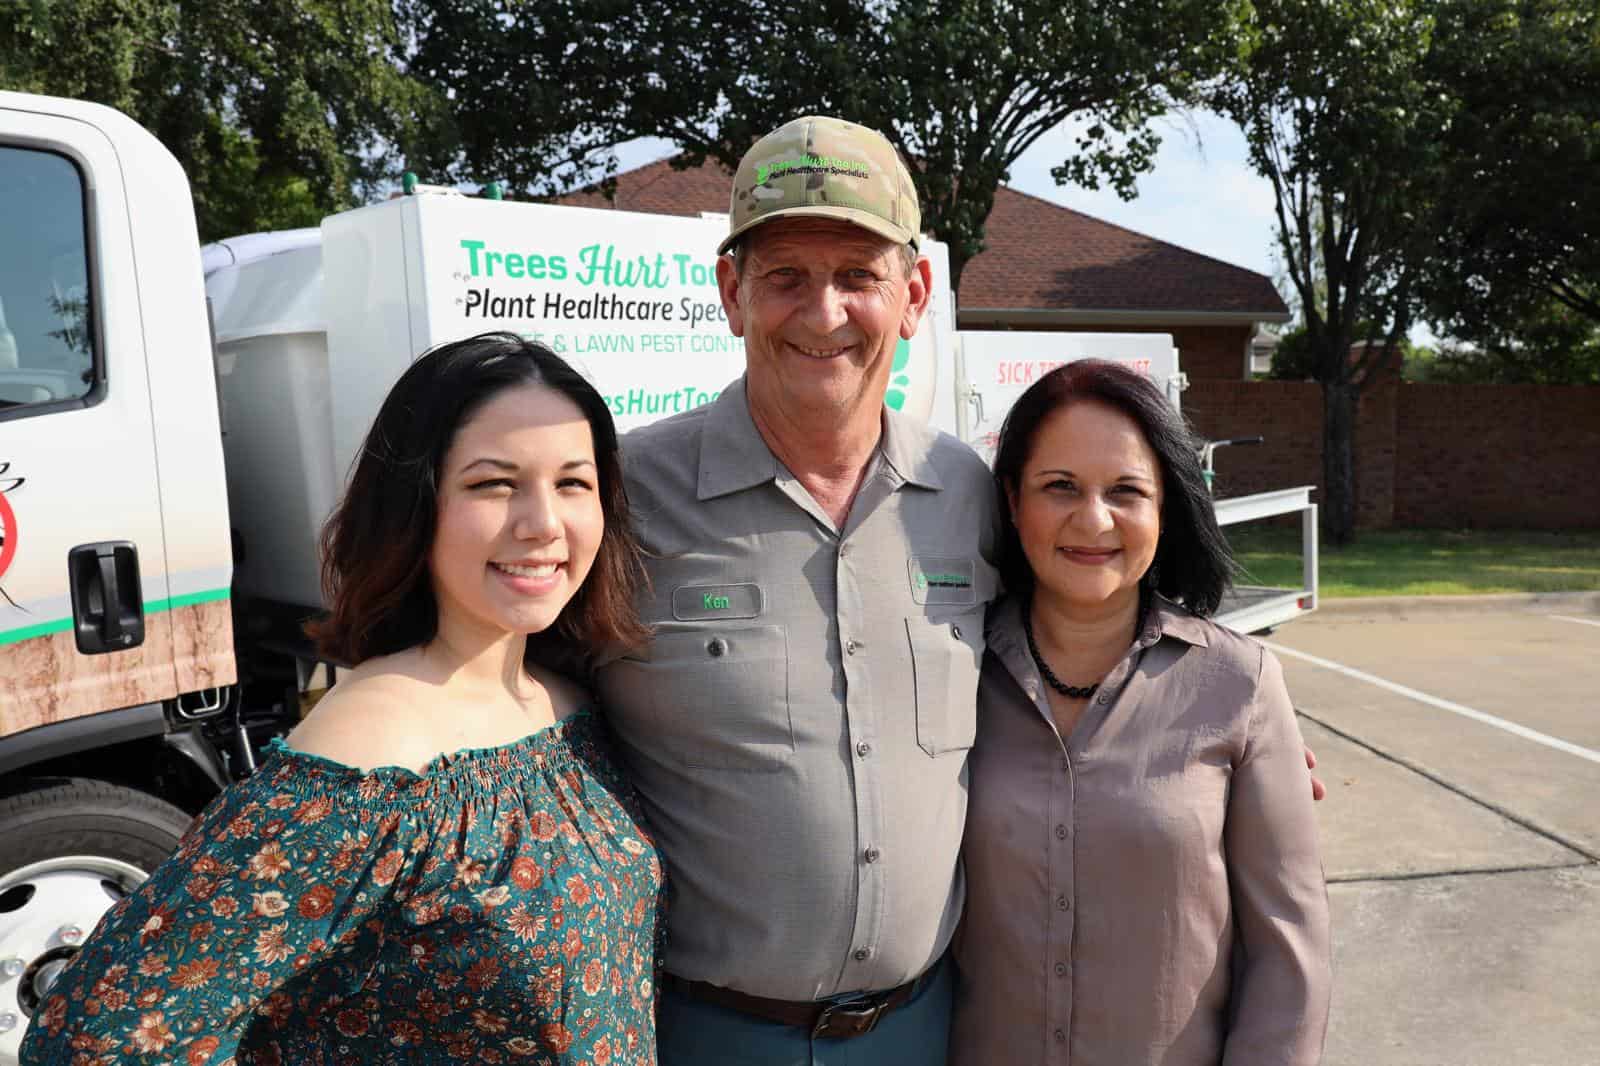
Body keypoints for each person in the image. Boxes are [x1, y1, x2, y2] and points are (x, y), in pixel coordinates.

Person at [23, 333, 665, 1065]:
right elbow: (99, 1038)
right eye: (493, 484)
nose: (543, 523)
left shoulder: (563, 694)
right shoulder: (369, 754)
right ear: (415, 507)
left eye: (573, 484)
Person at [592, 115, 998, 1064]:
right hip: (700, 1033)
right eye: (786, 278)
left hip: (923, 1031)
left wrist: (1207, 728)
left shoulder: (973, 496)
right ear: (732, 293)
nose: (823, 314)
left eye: (858, 276)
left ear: (913, 295)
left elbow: (1075, 650)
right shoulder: (619, 499)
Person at [951, 359, 1332, 1065]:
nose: (1093, 520)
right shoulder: (947, 673)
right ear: (1011, 499)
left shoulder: (1239, 684)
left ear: (1165, 508)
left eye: (1126, 491)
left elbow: (1290, 953)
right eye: (1058, 486)